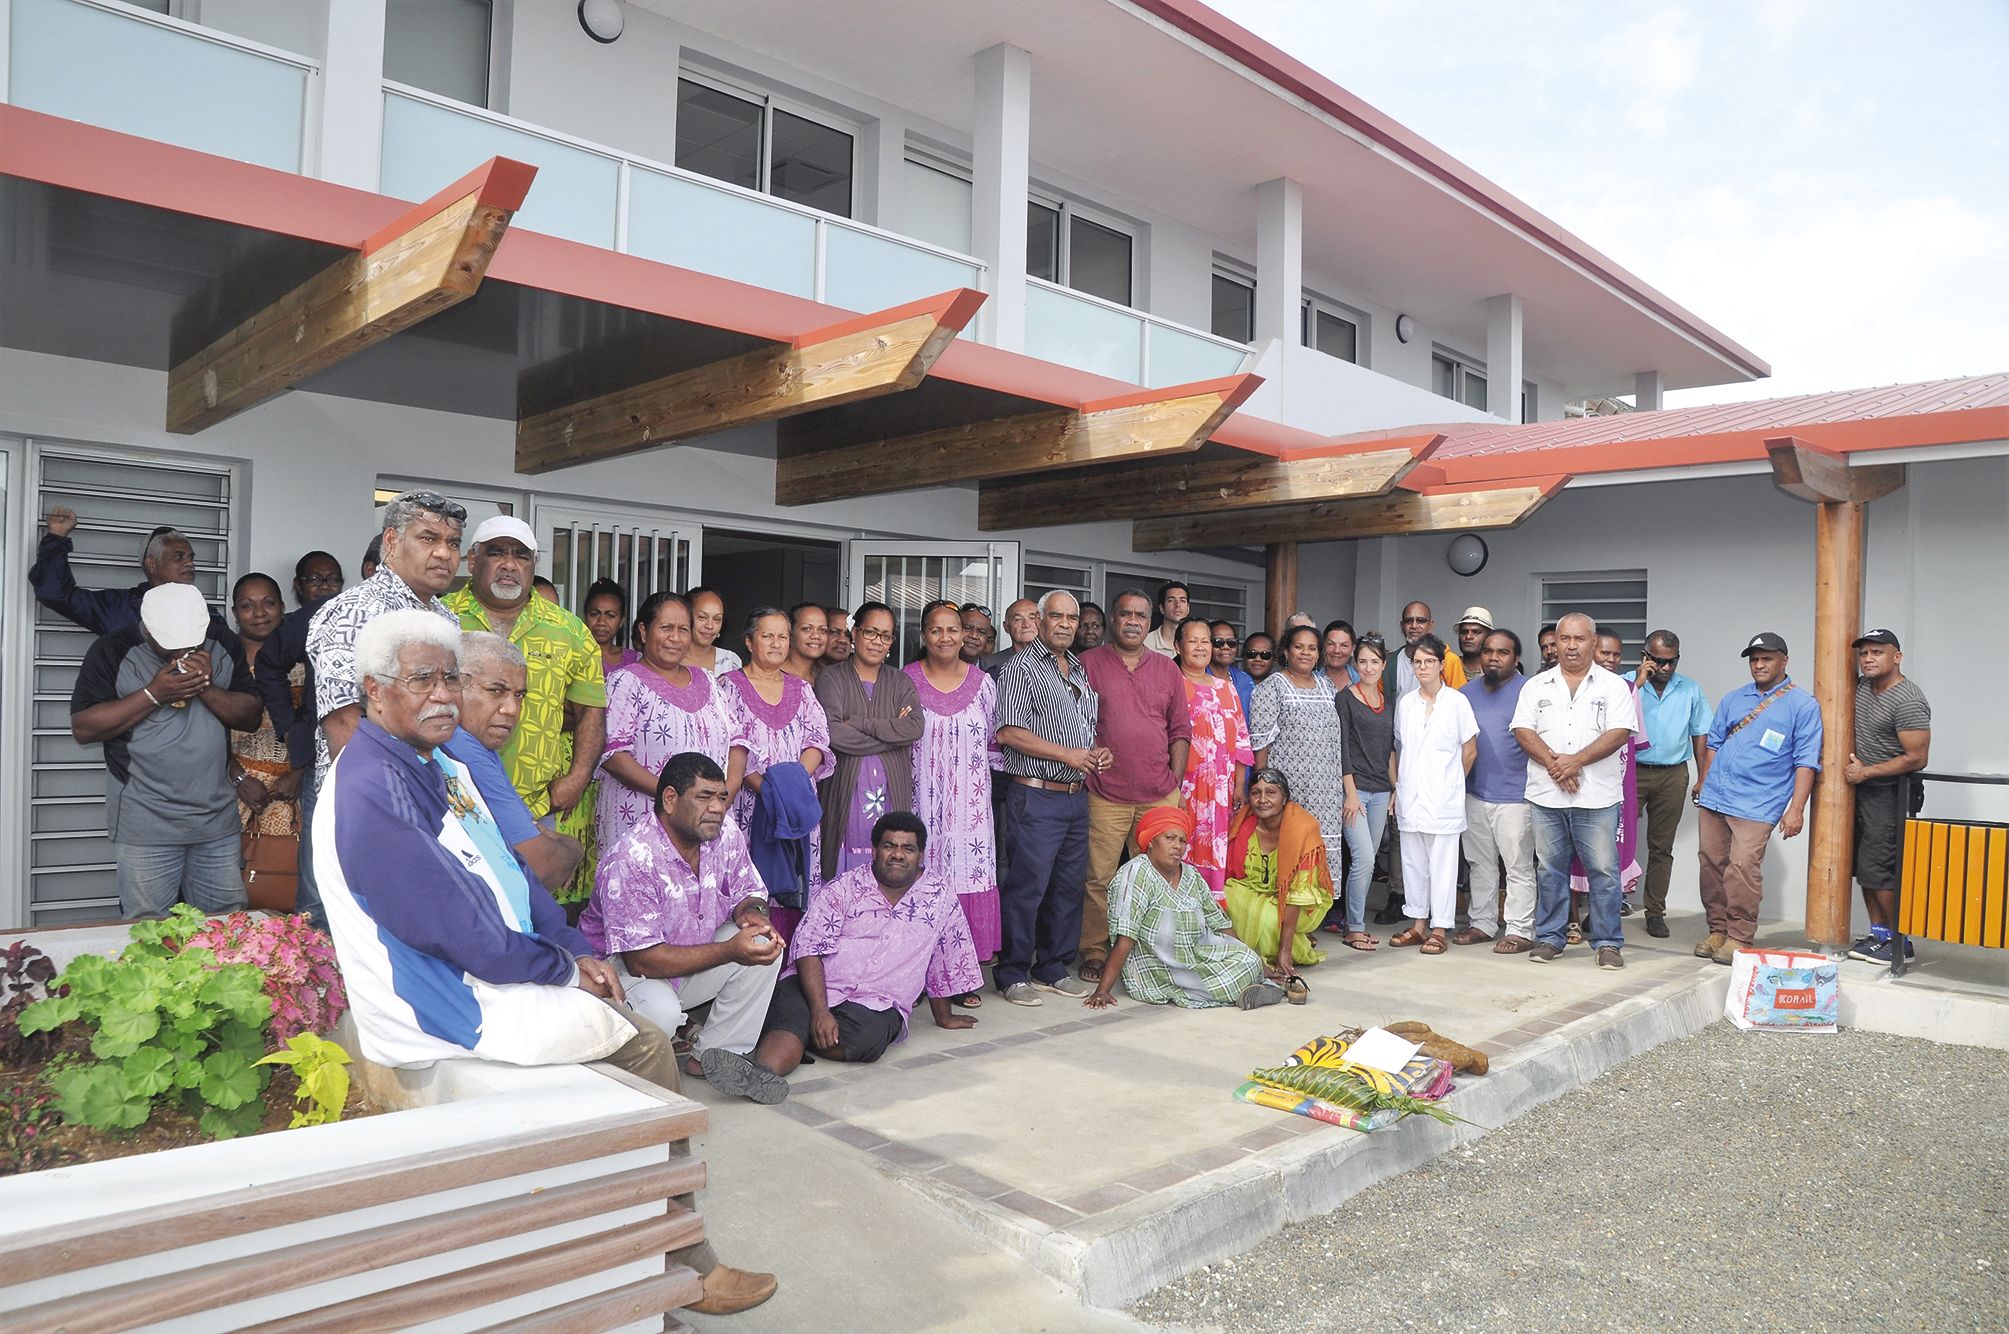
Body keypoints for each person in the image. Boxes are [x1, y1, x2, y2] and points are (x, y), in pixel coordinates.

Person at [313, 618, 775, 1316]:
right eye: (422, 680)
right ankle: (681, 1261)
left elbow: (513, 876)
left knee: (622, 1010)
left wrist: (575, 947)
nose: (443, 696)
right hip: (444, 999)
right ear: (375, 691)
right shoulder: (373, 784)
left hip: (489, 966)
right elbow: (454, 929)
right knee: (645, 1044)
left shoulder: (434, 760)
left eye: (448, 679)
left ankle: (637, 1251)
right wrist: (560, 969)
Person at [584, 751, 787, 1095]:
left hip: (688, 958)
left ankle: (715, 1054)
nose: (718, 808)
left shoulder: (724, 834)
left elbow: (749, 891)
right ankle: (616, 1068)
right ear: (670, 799)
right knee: (660, 1012)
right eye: (704, 797)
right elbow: (642, 960)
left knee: (762, 943)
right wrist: (727, 951)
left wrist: (752, 913)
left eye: (722, 797)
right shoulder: (632, 858)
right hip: (619, 973)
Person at [72, 583, 261, 918]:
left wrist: (205, 687)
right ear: (148, 625)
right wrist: (154, 693)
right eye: (171, 646)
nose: (182, 652)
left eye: (191, 644)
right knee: (150, 932)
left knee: (226, 928)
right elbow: (84, 728)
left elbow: (250, 717)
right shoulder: (112, 650)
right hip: (145, 821)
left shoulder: (223, 644)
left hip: (215, 821)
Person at [752, 812, 982, 1075]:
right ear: (874, 851)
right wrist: (819, 1011)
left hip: (878, 1002)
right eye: (889, 846)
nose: (897, 854)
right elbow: (809, 948)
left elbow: (944, 958)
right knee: (791, 1013)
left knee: (867, 1039)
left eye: (908, 848)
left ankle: (794, 1037)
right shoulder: (843, 888)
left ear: (921, 855)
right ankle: (762, 1075)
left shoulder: (940, 896)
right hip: (816, 985)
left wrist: (945, 1017)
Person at [444, 516, 606, 825]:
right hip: (450, 800)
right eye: (496, 553)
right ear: (473, 559)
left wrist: (578, 778)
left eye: (521, 555)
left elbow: (591, 711)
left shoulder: (570, 630)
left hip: (533, 808)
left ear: (534, 563)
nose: (509, 564)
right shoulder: (441, 618)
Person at [307, 489, 466, 787]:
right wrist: (385, 800)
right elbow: (343, 723)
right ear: (392, 542)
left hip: (431, 788)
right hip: (375, 796)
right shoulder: (357, 611)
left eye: (453, 543)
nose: (444, 553)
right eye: (428, 538)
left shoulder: (445, 617)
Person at [1510, 612, 1640, 969]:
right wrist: (1558, 765)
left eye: (1578, 639)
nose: (1570, 646)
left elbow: (1619, 732)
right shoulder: (1536, 685)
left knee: (1603, 871)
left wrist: (1576, 761)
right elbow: (1523, 730)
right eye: (1564, 638)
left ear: (1593, 643)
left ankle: (1608, 942)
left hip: (1596, 796)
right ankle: (1550, 938)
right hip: (1547, 795)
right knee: (1550, 870)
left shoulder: (1613, 687)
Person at [993, 591, 1103, 1006]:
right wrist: (1068, 754)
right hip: (1035, 794)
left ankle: (1053, 967)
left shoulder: (1076, 667)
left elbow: (1077, 730)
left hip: (1075, 794)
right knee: (1028, 887)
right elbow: (1008, 732)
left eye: (1071, 618)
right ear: (1038, 621)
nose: (1064, 624)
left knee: (1067, 887)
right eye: (1055, 616)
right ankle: (1013, 972)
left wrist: (1093, 753)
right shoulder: (1021, 667)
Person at [1078, 589, 1191, 982]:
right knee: (1100, 878)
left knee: (1160, 878)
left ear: (1150, 621)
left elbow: (1180, 729)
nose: (1132, 621)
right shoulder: (1087, 663)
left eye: (1140, 615)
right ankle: (1094, 951)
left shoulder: (1167, 669)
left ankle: (1155, 950)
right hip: (1105, 793)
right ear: (1113, 618)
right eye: (1125, 613)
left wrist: (1173, 780)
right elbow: (1074, 723)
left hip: (1159, 794)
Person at [1693, 632, 1824, 964]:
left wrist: (1797, 809)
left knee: (1742, 867)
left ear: (1784, 660)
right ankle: (1718, 929)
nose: (1759, 665)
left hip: (1758, 803)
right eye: (1754, 659)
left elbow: (1806, 761)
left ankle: (1740, 936)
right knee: (1710, 864)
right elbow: (1714, 744)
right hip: (1716, 797)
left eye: (1766, 658)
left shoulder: (1802, 705)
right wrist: (1704, 783)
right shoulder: (1734, 699)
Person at [598, 591, 748, 862]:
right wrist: (675, 798)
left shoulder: (709, 682)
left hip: (709, 821)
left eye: (683, 629)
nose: (675, 638)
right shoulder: (625, 682)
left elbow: (737, 742)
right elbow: (614, 756)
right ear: (644, 631)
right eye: (666, 628)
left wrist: (722, 796)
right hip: (645, 820)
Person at [1085, 805, 1278, 1010]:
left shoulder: (1191, 875)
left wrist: (1255, 963)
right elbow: (1125, 937)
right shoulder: (1137, 873)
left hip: (1196, 955)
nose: (1177, 846)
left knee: (1248, 960)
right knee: (1228, 979)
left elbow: (1219, 923)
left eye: (1182, 840)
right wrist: (1103, 990)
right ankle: (1250, 989)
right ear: (1150, 841)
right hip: (1156, 968)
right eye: (1169, 838)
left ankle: (1253, 985)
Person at [906, 600, 1002, 1002]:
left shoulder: (984, 684)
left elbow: (995, 744)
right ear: (923, 636)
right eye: (936, 630)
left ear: (964, 635)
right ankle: (916, 976)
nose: (945, 637)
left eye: (953, 629)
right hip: (920, 804)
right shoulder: (905, 680)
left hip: (971, 812)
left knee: (966, 879)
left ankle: (959, 978)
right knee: (919, 883)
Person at [445, 632, 585, 895]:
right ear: (455, 686)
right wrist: (574, 849)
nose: (511, 709)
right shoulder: (461, 747)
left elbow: (528, 832)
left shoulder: (475, 743)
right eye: (496, 690)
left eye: (519, 695)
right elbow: (541, 866)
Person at [723, 608, 833, 922]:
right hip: (751, 801)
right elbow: (731, 744)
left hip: (796, 803)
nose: (776, 643)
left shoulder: (802, 689)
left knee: (797, 880)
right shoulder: (728, 687)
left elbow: (817, 741)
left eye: (782, 636)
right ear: (748, 641)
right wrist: (769, 791)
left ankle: (791, 963)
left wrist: (789, 787)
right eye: (767, 636)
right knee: (752, 878)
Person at [255, 551, 344, 924]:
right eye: (314, 580)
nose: (324, 587)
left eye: (331, 580)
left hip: (385, 761)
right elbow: (268, 664)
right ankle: (315, 962)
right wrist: (292, 728)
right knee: (316, 871)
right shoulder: (314, 618)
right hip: (324, 761)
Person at [815, 602, 923, 880]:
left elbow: (914, 728)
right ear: (854, 633)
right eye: (871, 632)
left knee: (891, 863)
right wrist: (893, 735)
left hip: (891, 790)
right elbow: (833, 733)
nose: (878, 642)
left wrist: (860, 723)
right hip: (846, 791)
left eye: (886, 635)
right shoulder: (832, 678)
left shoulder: (901, 681)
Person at [1842, 629, 1932, 965]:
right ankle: (1878, 935)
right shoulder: (1864, 686)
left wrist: (1867, 772)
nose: (1868, 659)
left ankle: (1900, 943)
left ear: (1897, 657)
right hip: (1864, 790)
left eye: (1877, 653)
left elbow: (1917, 757)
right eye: (1864, 654)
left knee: (1882, 868)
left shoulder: (1907, 698)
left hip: (1894, 791)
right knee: (1865, 868)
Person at [29, 507, 235, 651]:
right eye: (178, 557)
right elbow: (54, 593)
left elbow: (227, 662)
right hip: (134, 710)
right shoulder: (119, 607)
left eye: (191, 557)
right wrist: (57, 538)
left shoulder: (207, 613)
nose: (189, 563)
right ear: (152, 564)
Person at [1387, 635, 1479, 955]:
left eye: (1429, 661)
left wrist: (1451, 783)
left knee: (1442, 865)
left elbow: (1469, 750)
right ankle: (1417, 925)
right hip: (1411, 794)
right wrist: (1399, 786)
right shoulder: (1406, 703)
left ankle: (1439, 928)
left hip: (1444, 798)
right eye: (1417, 662)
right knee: (1413, 862)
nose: (1423, 667)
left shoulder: (1457, 702)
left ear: (1442, 664)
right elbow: (1399, 748)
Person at [1248, 624, 1348, 899]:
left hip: (1326, 790)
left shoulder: (1327, 686)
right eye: (1299, 646)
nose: (1305, 653)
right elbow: (1261, 743)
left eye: (1312, 648)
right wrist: (1262, 789)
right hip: (1290, 789)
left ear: (1319, 655)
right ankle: (1286, 915)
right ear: (1286, 651)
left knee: (1318, 849)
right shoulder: (1273, 687)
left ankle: (1312, 914)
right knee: (1291, 848)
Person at [1565, 630, 1646, 940]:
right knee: (1570, 855)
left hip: (1613, 787)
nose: (1611, 660)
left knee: (1606, 859)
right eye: (1605, 653)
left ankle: (1602, 927)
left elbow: (1634, 742)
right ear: (1591, 651)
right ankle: (1571, 918)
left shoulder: (1628, 690)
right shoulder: (1569, 685)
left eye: (1616, 655)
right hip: (1570, 782)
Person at [1460, 629, 1537, 952]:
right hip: (1474, 792)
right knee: (1480, 863)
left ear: (1516, 658)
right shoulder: (1464, 693)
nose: (1493, 657)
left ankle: (1520, 929)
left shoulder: (1530, 691)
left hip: (1516, 797)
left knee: (1518, 867)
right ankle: (1482, 923)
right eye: (1488, 651)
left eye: (1502, 652)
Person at [1221, 768, 1332, 988]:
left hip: (1298, 900)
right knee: (1220, 900)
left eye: (1271, 792)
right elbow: (1232, 874)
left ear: (1284, 798)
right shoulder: (1243, 824)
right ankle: (1258, 955)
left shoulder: (1303, 828)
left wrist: (1285, 951)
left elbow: (1298, 894)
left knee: (1270, 920)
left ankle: (1286, 946)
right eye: (1256, 793)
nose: (1262, 800)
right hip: (1250, 889)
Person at [1632, 629, 1711, 940]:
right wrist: (1637, 683)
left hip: (1672, 774)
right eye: (1658, 661)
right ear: (1645, 656)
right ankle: (1606, 907)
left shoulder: (1690, 689)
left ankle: (1654, 912)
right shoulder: (1627, 683)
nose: (1664, 668)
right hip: (1631, 773)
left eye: (1671, 662)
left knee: (1661, 847)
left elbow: (1700, 734)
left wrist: (1703, 777)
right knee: (1615, 843)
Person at [1173, 616, 1251, 900]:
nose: (1200, 647)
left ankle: (1211, 918)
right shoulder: (1172, 685)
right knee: (1180, 848)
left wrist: (1239, 786)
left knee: (1217, 852)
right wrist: (1172, 788)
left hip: (1220, 791)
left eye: (1205, 641)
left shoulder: (1225, 688)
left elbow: (1242, 738)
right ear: (1178, 646)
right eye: (1192, 641)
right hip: (1185, 788)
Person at [226, 573, 304, 859]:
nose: (259, 613)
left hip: (294, 794)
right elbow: (205, 731)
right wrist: (238, 778)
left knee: (285, 888)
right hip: (232, 792)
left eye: (268, 603)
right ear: (235, 613)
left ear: (282, 607)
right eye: (247, 606)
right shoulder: (222, 662)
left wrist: (300, 774)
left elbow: (324, 725)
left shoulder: (305, 659)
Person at [1334, 635, 1395, 951]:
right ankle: (1353, 927)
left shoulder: (1387, 704)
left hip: (1381, 790)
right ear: (1355, 665)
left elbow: (1390, 750)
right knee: (1363, 860)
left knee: (1369, 858)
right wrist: (1350, 793)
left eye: (1374, 661)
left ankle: (1355, 924)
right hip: (1355, 792)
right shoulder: (1344, 698)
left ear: (1383, 665)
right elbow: (1342, 747)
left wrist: (1394, 786)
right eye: (1362, 661)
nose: (1368, 667)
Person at [1393, 602, 1467, 695]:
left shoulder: (1449, 660)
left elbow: (1460, 701)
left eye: (1421, 620)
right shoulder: (1390, 662)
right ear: (1402, 626)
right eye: (1408, 621)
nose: (1414, 626)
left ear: (1430, 626)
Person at [582, 577, 639, 674]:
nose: (601, 622)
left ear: (621, 620)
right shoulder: (573, 656)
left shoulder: (634, 660)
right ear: (585, 616)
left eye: (610, 615)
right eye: (594, 614)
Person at [687, 585, 742, 676]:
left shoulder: (729, 662)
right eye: (702, 617)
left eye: (717, 619)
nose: (710, 626)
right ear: (687, 616)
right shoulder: (670, 659)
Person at [1207, 620, 1255, 724]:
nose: (1226, 647)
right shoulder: (1197, 679)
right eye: (1218, 642)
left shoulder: (1245, 681)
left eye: (1231, 643)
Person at [980, 598, 1039, 677]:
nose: (1026, 625)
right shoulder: (989, 664)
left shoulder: (1055, 661)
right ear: (1006, 627)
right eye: (1018, 619)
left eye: (1032, 618)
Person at [781, 603, 828, 683]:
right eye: (807, 629)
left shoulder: (826, 678)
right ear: (790, 633)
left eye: (823, 630)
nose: (816, 636)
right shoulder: (774, 676)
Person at [1143, 580, 1190, 657]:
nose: (1178, 605)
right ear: (1161, 608)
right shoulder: (1146, 643)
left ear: (1188, 608)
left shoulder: (1196, 645)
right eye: (1171, 600)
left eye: (1182, 600)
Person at [1316, 620, 1359, 690]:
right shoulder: (1312, 680)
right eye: (1331, 644)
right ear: (1324, 646)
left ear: (1353, 649)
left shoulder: (1360, 682)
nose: (1336, 650)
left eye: (1344, 645)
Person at [1453, 607, 1493, 682]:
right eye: (1464, 632)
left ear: (1489, 637)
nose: (1468, 637)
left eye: (1476, 632)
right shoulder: (1447, 667)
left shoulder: (1501, 672)